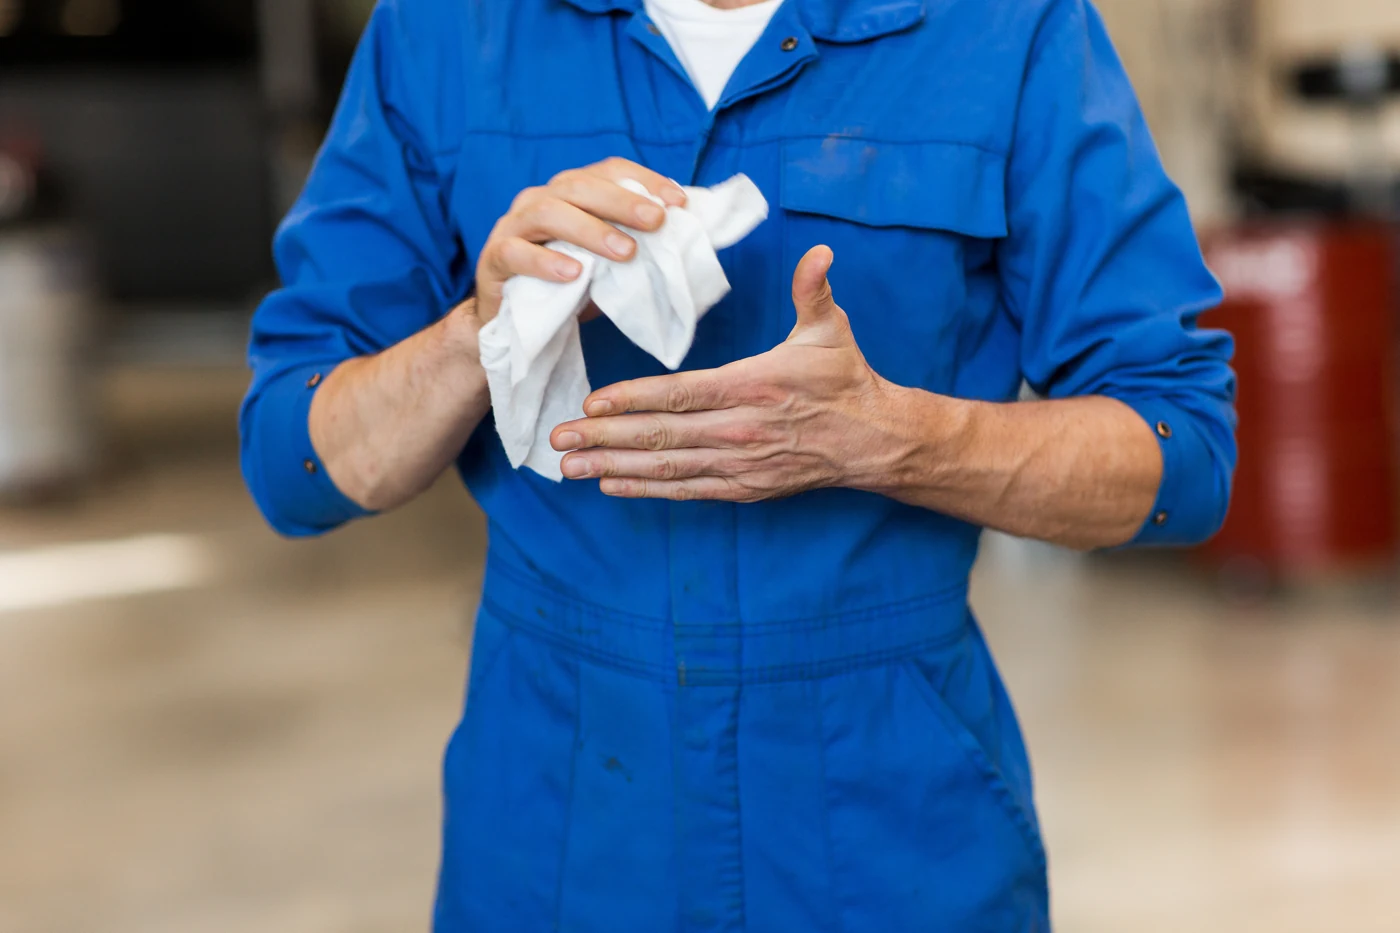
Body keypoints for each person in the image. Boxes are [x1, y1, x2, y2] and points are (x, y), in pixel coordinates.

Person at [239, 0, 1236, 928]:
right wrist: (484, 331)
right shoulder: (450, 32)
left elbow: (1177, 454)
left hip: (890, 818)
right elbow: (300, 460)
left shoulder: (1005, 29)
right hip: (556, 820)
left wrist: (891, 439)